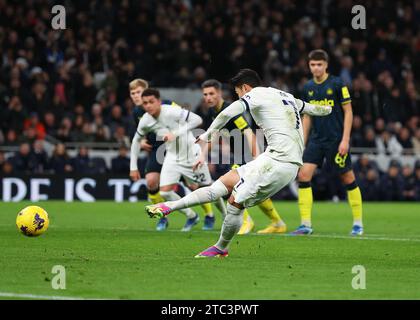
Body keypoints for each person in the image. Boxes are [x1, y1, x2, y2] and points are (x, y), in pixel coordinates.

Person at [145, 69, 331, 257]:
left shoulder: (254, 94)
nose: (239, 97)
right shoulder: (284, 95)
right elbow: (313, 109)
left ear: (244, 88)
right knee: (222, 184)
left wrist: (208, 133)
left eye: (238, 93)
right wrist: (331, 109)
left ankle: (221, 248)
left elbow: (227, 113)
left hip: (281, 163)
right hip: (272, 157)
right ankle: (170, 207)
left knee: (235, 203)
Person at [130, 88, 226, 232]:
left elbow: (197, 120)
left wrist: (176, 133)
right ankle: (191, 215)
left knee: (209, 190)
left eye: (151, 102)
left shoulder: (171, 111)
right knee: (164, 192)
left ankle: (226, 216)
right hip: (172, 156)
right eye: (145, 103)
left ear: (158, 102)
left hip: (191, 154)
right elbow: (136, 140)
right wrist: (133, 167)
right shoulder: (145, 120)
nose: (148, 105)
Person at [291, 49, 364, 236]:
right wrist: (302, 143)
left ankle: (358, 223)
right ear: (309, 66)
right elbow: (307, 116)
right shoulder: (307, 87)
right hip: (316, 140)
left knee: (347, 178)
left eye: (319, 65)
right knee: (304, 175)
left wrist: (345, 139)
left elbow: (348, 112)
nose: (316, 68)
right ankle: (305, 224)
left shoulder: (337, 84)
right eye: (312, 65)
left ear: (326, 65)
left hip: (336, 139)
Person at [201, 79, 287, 234]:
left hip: (247, 153)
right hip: (238, 154)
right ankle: (277, 223)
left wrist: (257, 156)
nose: (208, 97)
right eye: (205, 94)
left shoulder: (230, 111)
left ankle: (246, 222)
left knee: (232, 186)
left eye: (211, 93)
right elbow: (215, 135)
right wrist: (202, 155)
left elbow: (248, 132)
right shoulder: (214, 112)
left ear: (219, 93)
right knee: (254, 188)